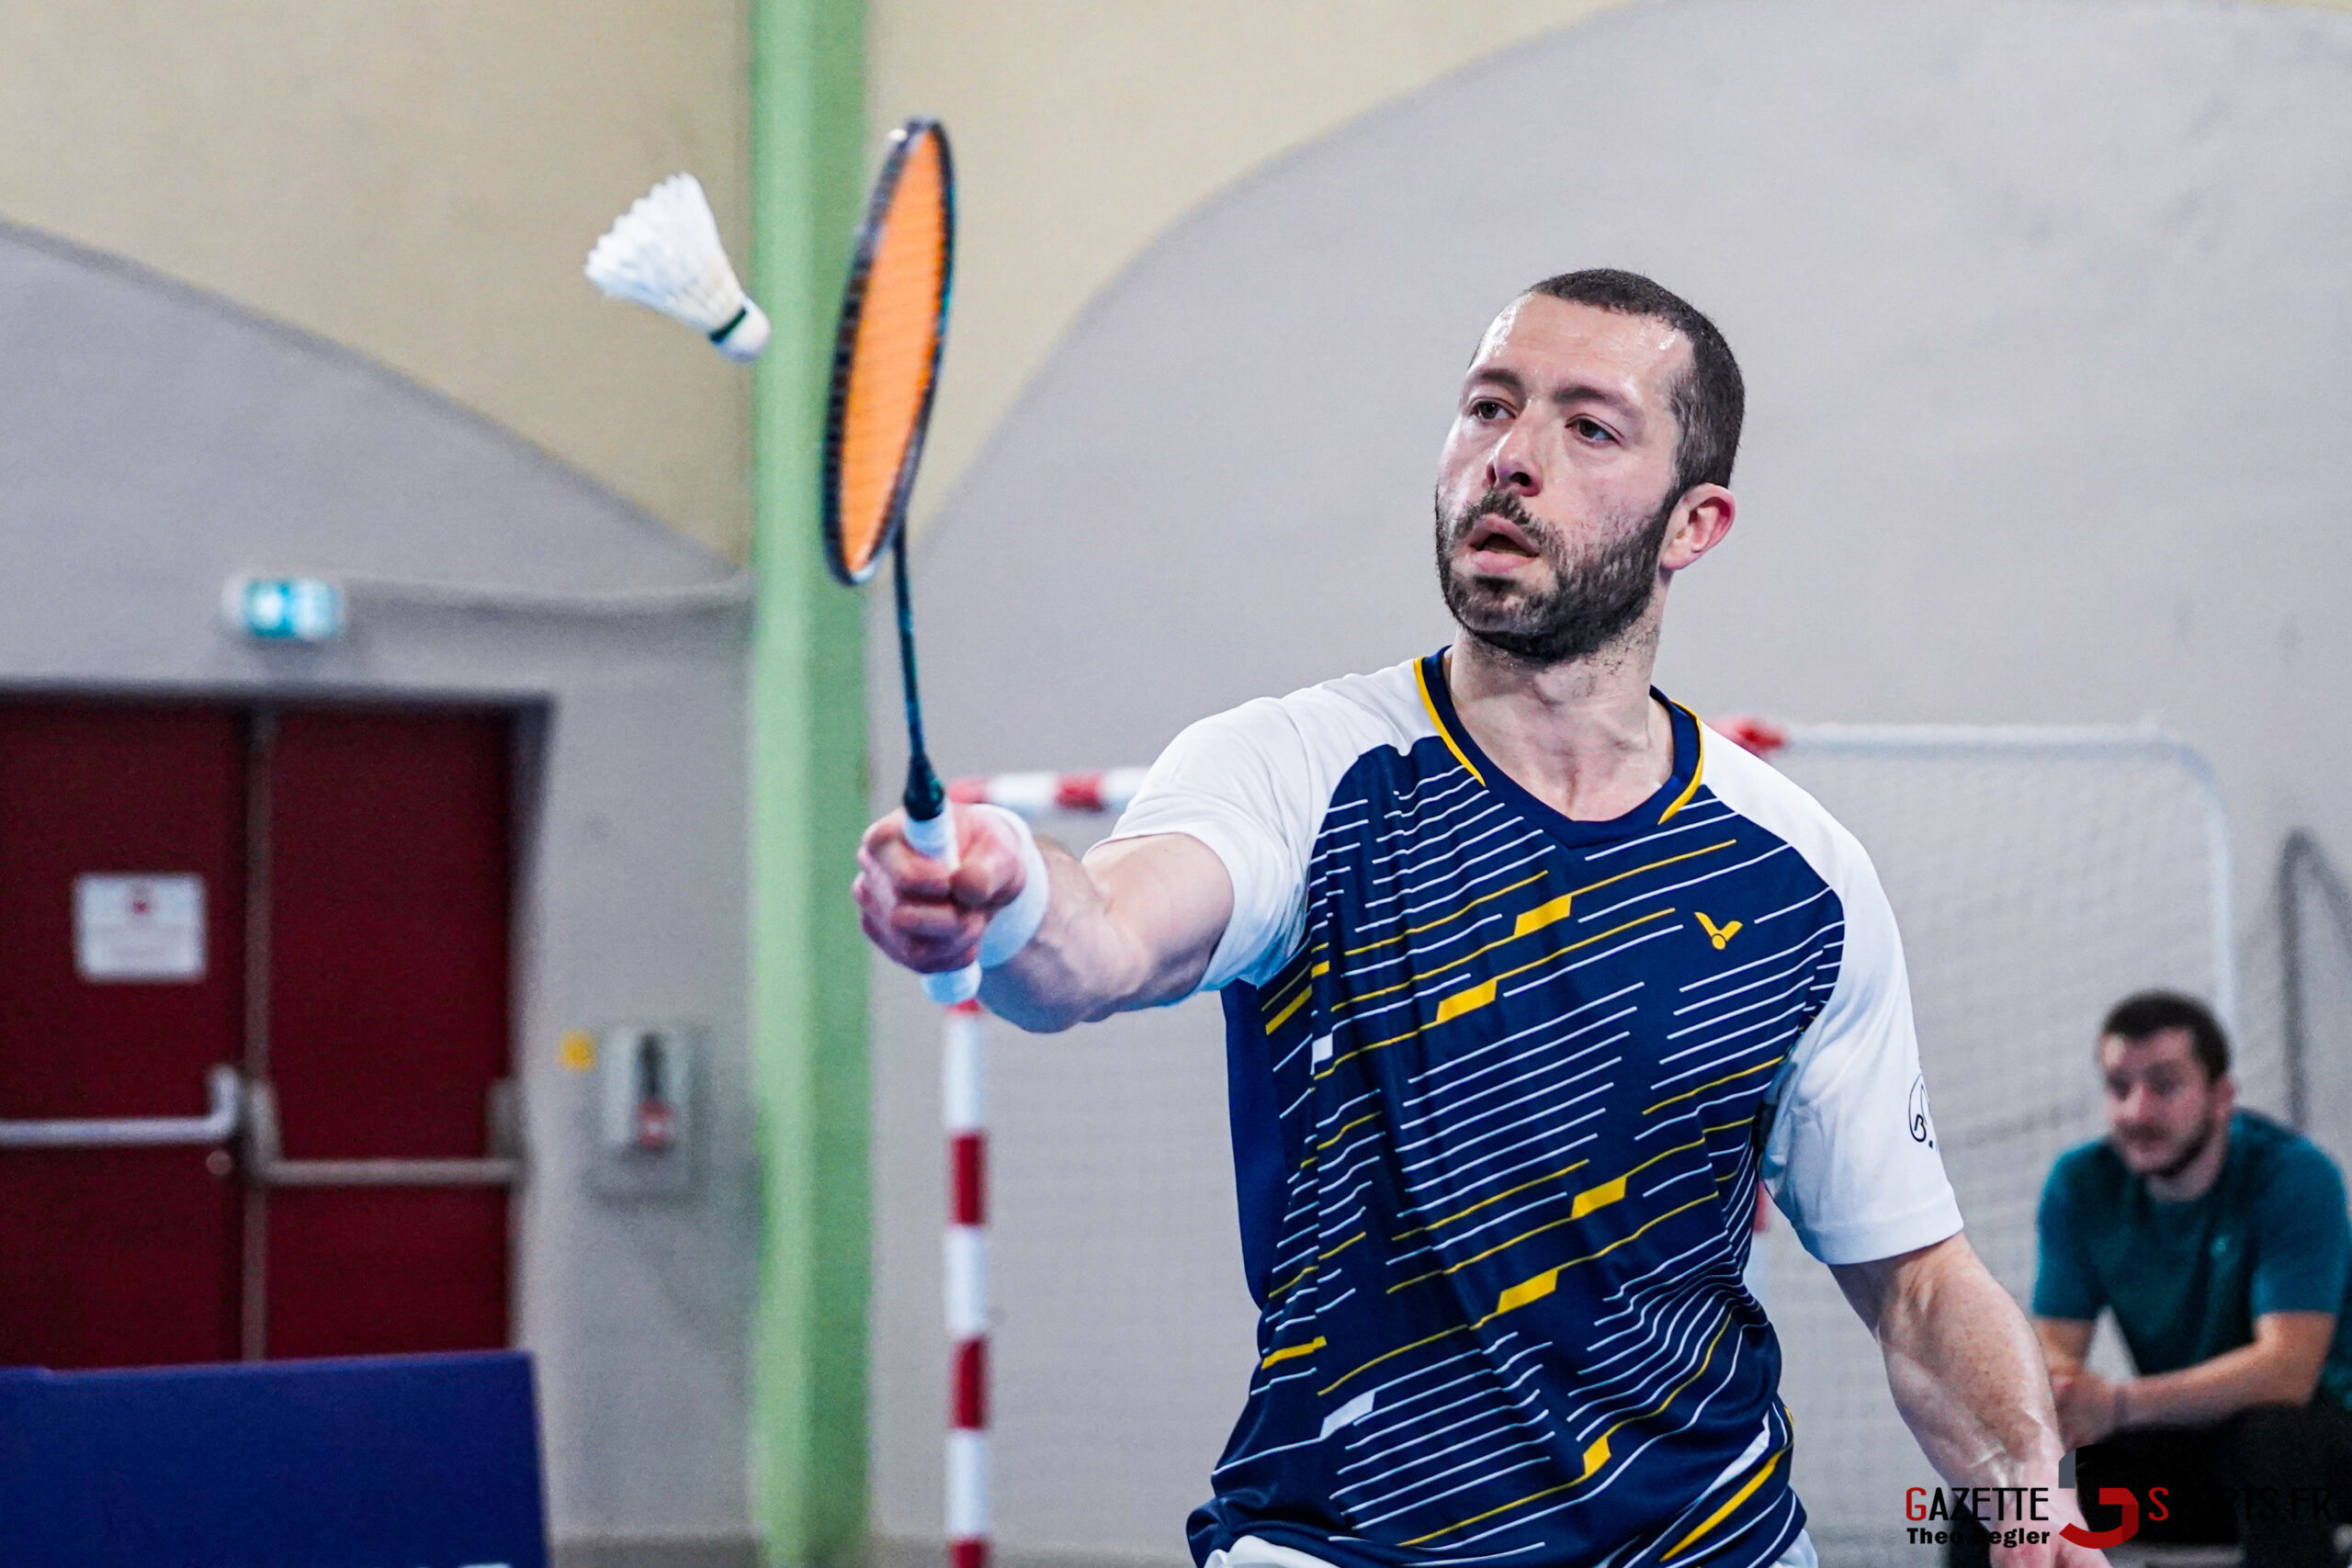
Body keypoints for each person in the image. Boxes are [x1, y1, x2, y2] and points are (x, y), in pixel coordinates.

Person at [855, 270, 2103, 1568]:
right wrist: (1007, 900)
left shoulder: (1801, 878)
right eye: (1488, 407)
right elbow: (1107, 935)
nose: (1511, 458)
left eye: (1589, 426)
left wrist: (2028, 1502)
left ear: (1696, 523)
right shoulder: (1307, 769)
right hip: (1344, 1540)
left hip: (1713, 1539)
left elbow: (1915, 1282)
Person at [1952, 992, 2352, 1568]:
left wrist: (2114, 1404)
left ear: (2222, 1097)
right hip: (2188, 1448)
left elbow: (2286, 1372)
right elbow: (2056, 1356)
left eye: (2164, 1085)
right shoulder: (2083, 1184)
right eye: (2119, 1087)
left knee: (2271, 1439)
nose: (2138, 1111)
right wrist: (2057, 1411)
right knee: (1999, 1481)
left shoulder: (2293, 1177)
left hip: (2317, 1450)